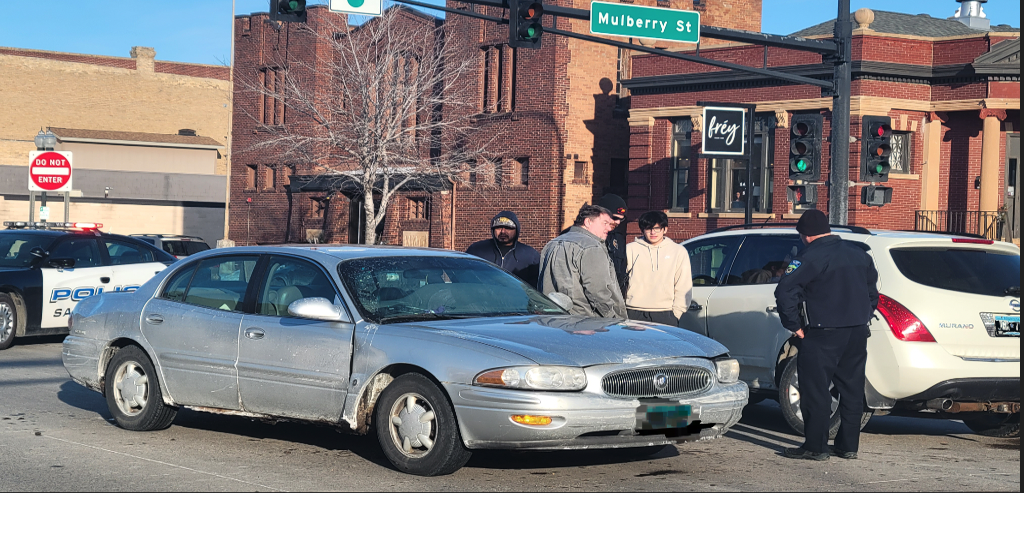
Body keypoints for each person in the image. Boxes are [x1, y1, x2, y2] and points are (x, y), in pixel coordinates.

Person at [774, 210, 879, 461]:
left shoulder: (809, 257)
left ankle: (816, 447)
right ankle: (848, 446)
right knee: (852, 389)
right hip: (856, 332)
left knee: (816, 390)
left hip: (822, 333)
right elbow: (872, 293)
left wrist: (795, 326)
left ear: (805, 235)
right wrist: (862, 316)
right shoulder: (858, 254)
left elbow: (785, 292)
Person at [538, 204, 626, 318]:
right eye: (605, 223)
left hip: (552, 318)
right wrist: (612, 317)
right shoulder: (591, 246)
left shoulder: (552, 243)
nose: (609, 228)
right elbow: (598, 292)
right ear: (588, 222)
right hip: (586, 322)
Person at [624, 210, 692, 326]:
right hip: (633, 312)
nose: (653, 232)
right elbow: (620, 281)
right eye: (648, 228)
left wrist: (676, 313)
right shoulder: (630, 249)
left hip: (665, 314)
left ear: (665, 229)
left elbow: (683, 284)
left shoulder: (678, 251)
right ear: (642, 230)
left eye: (657, 228)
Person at [465, 211, 541, 289]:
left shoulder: (530, 256)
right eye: (498, 227)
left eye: (508, 228)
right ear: (493, 229)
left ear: (516, 230)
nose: (503, 231)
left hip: (516, 299)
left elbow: (535, 288)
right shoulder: (477, 250)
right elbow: (464, 276)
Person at [598, 193, 629, 297]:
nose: (618, 222)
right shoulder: (585, 237)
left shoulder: (618, 239)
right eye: (615, 217)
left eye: (621, 219)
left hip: (613, 298)